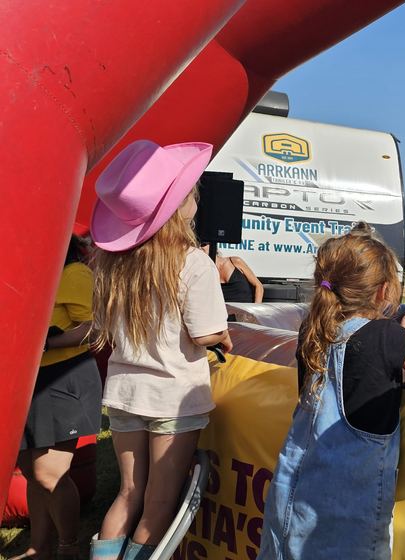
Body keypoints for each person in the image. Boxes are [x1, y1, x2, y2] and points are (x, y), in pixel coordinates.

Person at [259, 223, 405, 559]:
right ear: (383, 292)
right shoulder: (385, 338)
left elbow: (364, 373)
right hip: (348, 515)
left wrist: (398, 336)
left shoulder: (314, 328)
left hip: (294, 497)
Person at [89, 140, 233, 560]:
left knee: (128, 493)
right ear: (178, 206)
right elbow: (206, 334)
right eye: (189, 191)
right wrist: (222, 337)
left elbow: (104, 328)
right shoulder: (193, 263)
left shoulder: (112, 265)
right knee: (158, 503)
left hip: (124, 393)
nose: (196, 196)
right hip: (173, 399)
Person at [14, 235, 103, 560]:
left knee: (50, 473)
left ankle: (69, 547)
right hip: (29, 381)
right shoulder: (28, 275)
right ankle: (40, 548)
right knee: (32, 472)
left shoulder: (75, 274)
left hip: (65, 378)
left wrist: (46, 343)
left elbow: (94, 330)